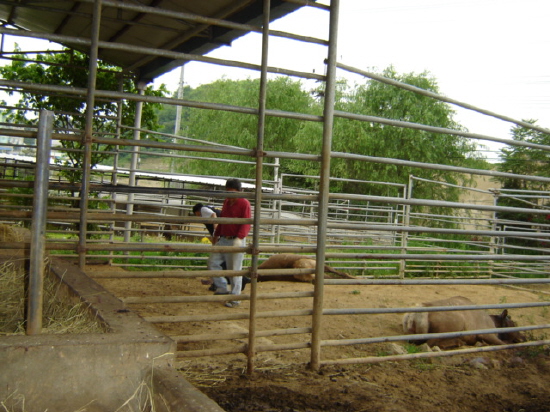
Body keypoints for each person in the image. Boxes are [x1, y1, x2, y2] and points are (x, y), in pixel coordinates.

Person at [208, 178, 251, 308]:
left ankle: (235, 298)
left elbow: (246, 222)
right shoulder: (226, 202)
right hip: (224, 239)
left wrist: (239, 238)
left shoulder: (244, 204)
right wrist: (216, 235)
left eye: (232, 192)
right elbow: (222, 220)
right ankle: (222, 288)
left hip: (235, 240)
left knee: (235, 270)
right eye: (228, 192)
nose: (230, 195)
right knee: (212, 262)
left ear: (239, 191)